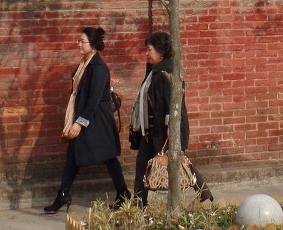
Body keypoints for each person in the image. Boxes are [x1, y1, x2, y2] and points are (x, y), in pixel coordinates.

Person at [43, 27, 127, 213]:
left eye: (82, 41)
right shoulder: (85, 64)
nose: (79, 44)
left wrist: (79, 123)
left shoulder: (98, 68)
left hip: (98, 121)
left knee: (108, 156)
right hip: (89, 118)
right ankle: (63, 193)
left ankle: (123, 192)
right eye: (79, 40)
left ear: (93, 44)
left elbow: (94, 99)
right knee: (74, 155)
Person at [129, 31, 212, 205]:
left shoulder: (168, 73)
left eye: (150, 50)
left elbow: (173, 105)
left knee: (180, 160)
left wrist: (170, 128)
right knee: (142, 165)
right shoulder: (154, 71)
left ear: (161, 51)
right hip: (150, 129)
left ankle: (203, 193)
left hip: (162, 129)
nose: (146, 53)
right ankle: (138, 203)